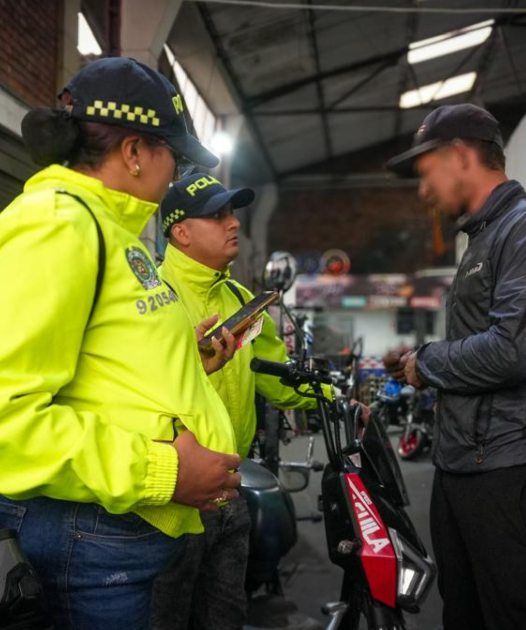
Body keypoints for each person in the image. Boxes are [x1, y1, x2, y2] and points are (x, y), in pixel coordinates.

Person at [0, 58, 243, 630]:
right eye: (172, 156)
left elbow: (102, 366)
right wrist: (165, 473)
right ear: (134, 152)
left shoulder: (108, 231)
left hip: (110, 535)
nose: (173, 174)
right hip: (88, 543)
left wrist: (188, 362)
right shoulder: (58, 227)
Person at [384, 104, 526, 630]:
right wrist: (413, 365)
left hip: (514, 474)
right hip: (463, 470)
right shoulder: (484, 239)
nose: (423, 192)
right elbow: (479, 351)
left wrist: (427, 362)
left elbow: (512, 351)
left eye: (426, 174)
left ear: (461, 156)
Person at [149, 174, 330, 630]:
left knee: (225, 615)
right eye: (217, 215)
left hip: (231, 487)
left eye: (232, 213)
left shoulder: (243, 301)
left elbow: (279, 377)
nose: (233, 224)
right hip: (172, 495)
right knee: (168, 617)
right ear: (180, 231)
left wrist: (333, 398)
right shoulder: (150, 298)